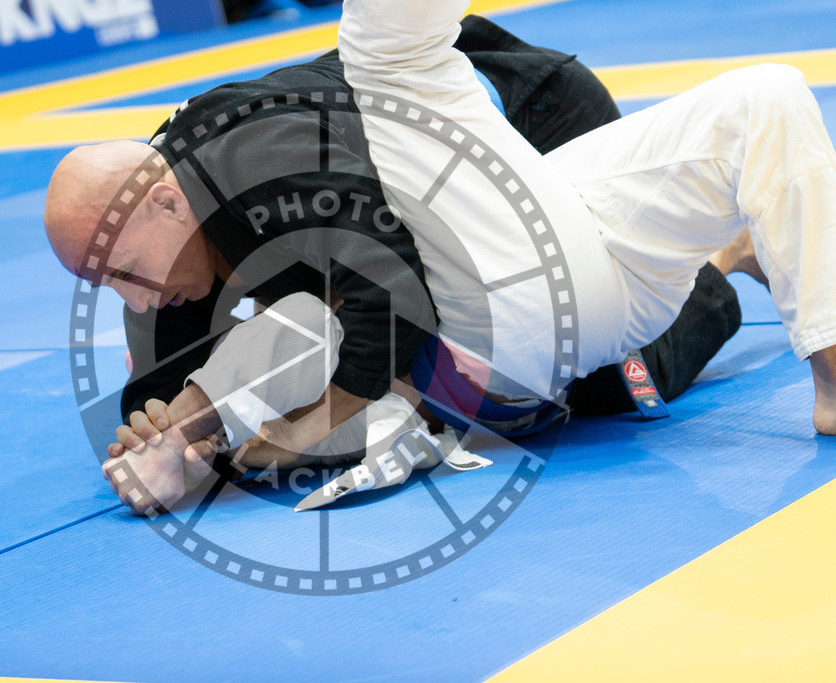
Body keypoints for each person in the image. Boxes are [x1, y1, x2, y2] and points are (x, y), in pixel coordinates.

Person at [44, 7, 835, 515]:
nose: (132, 299)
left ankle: (791, 322)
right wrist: (171, 444)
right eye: (106, 283)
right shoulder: (160, 245)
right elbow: (156, 403)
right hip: (516, 285)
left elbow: (381, 292)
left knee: (762, 100)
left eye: (121, 273)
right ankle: (727, 254)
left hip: (535, 132)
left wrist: (297, 428)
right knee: (605, 377)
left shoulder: (243, 154)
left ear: (164, 203)